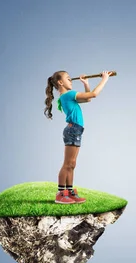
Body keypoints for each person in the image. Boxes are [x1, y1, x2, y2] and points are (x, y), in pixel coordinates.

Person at [43, 70, 112, 204]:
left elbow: (88, 98)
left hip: (76, 130)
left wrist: (86, 83)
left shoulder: (67, 96)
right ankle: (60, 193)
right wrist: (104, 79)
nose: (71, 80)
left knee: (72, 164)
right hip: (73, 130)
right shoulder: (68, 94)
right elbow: (94, 94)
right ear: (60, 82)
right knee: (67, 164)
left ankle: (69, 192)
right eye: (68, 78)